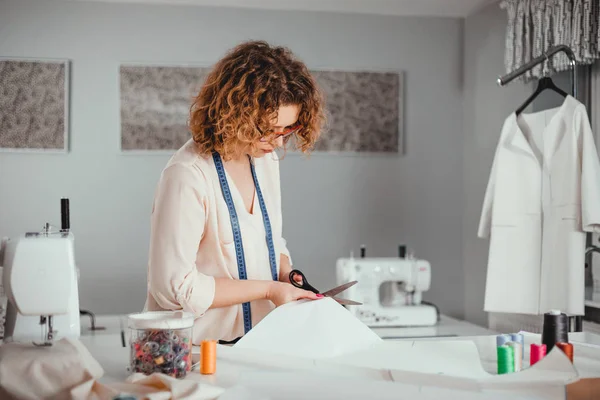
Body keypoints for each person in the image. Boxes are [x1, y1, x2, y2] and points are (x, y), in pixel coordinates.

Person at [144, 40, 326, 344]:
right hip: (193, 352)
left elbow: (268, 238)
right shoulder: (187, 175)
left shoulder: (264, 160)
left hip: (255, 345)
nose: (279, 143)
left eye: (287, 130)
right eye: (268, 130)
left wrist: (285, 274)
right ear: (236, 115)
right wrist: (268, 290)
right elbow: (175, 288)